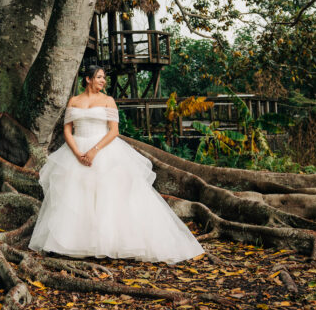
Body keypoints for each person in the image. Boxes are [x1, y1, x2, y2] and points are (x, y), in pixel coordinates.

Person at [29, 66, 204, 263]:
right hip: (76, 151)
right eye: (99, 77)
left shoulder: (108, 101)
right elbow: (67, 130)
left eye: (104, 78)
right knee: (77, 194)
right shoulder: (74, 101)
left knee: (107, 197)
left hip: (103, 150)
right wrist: (78, 153)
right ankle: (77, 242)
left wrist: (94, 151)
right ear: (88, 79)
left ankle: (110, 242)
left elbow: (113, 131)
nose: (103, 81)